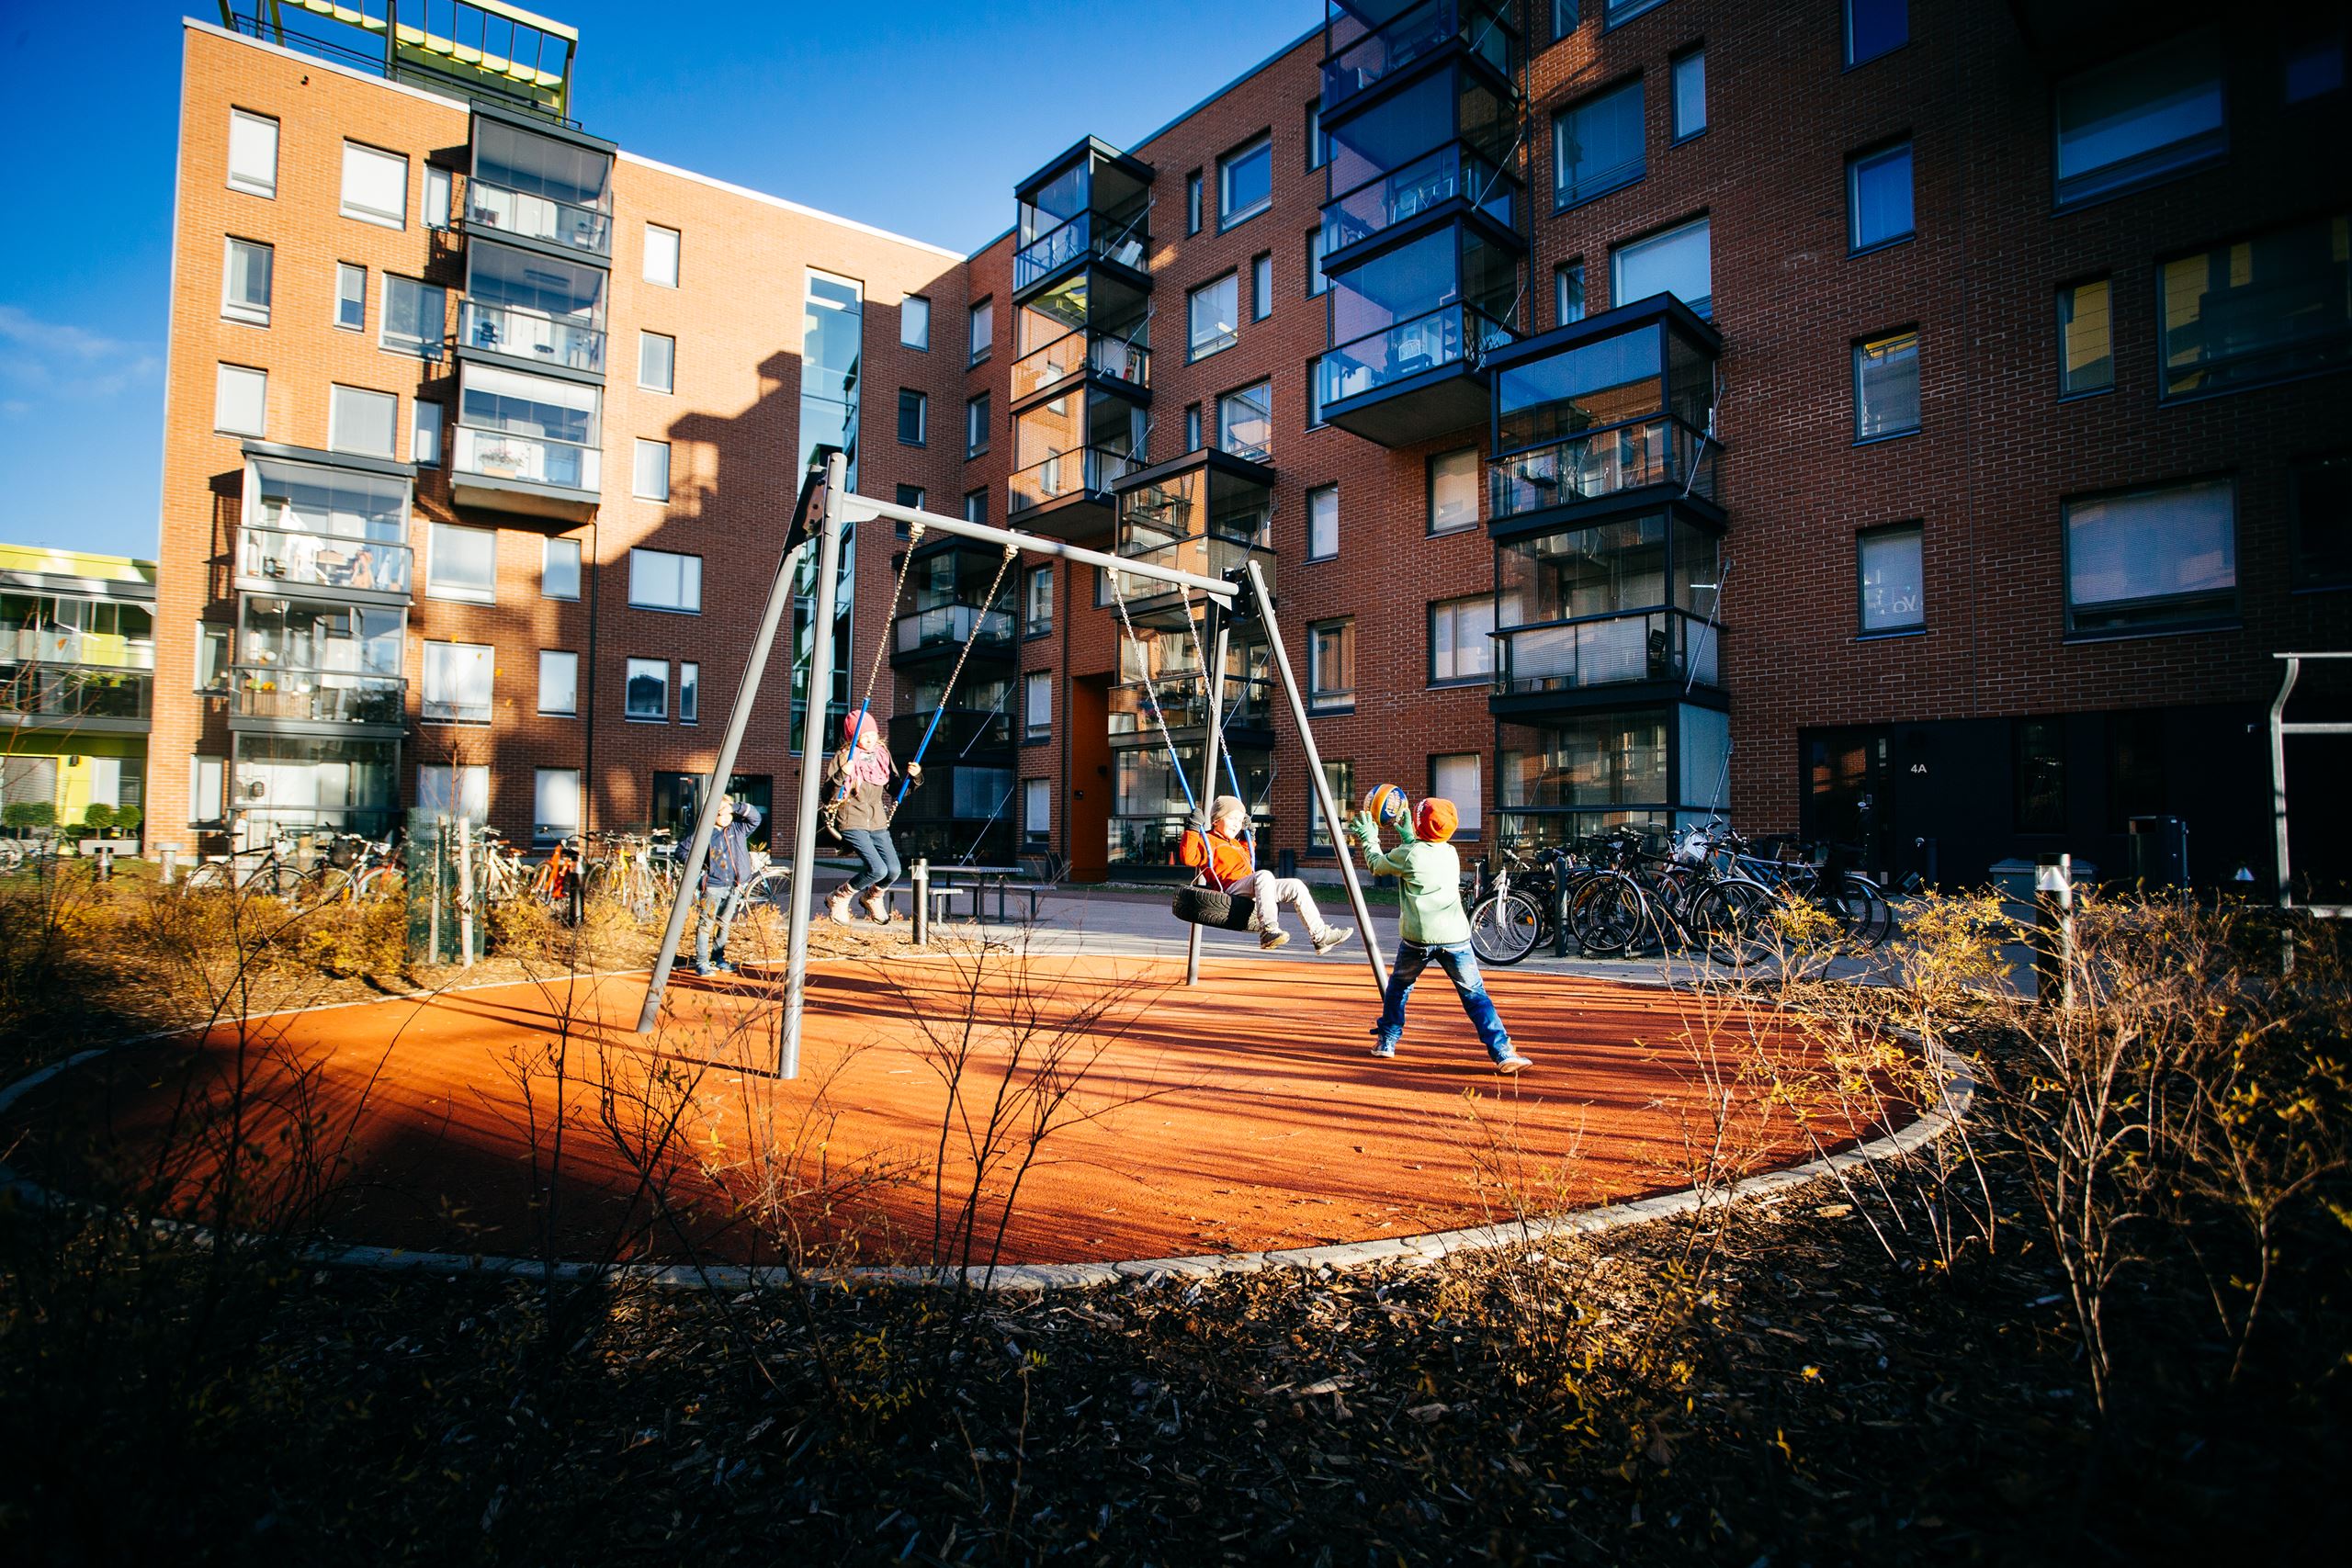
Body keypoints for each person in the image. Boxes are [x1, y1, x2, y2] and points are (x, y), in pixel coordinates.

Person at [1350, 797, 1531, 1074]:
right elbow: (1421, 853)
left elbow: (1377, 865)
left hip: (1418, 938)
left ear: (1420, 826)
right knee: (1475, 995)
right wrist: (1410, 834)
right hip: (1455, 936)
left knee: (1399, 987)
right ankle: (1503, 1052)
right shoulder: (1450, 852)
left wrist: (1369, 838)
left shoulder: (1409, 854)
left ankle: (1387, 1041)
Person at [1180, 794, 1353, 954]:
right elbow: (1189, 858)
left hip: (1251, 885)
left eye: (1240, 821)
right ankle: (1268, 930)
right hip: (1230, 888)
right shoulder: (1207, 840)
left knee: (1296, 885)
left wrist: (1250, 837)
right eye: (1232, 818)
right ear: (1216, 820)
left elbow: (1248, 857)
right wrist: (1193, 829)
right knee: (1264, 875)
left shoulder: (1236, 843)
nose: (1236, 824)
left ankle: (1320, 935)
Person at [823, 711, 920, 925]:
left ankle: (871, 897)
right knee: (877, 869)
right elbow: (826, 794)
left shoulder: (882, 755)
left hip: (877, 821)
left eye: (873, 734)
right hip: (851, 820)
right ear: (853, 737)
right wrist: (842, 774)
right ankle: (838, 898)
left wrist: (914, 778)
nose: (870, 739)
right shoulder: (844, 757)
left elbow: (897, 789)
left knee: (893, 870)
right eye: (864, 736)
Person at [695, 794, 763, 976]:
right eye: (720, 813)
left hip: (734, 887)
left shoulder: (738, 828)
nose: (725, 817)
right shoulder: (705, 833)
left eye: (728, 813)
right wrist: (705, 865)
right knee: (706, 924)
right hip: (713, 888)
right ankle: (701, 962)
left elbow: (755, 816)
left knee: (724, 923)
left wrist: (734, 807)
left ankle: (718, 958)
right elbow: (684, 851)